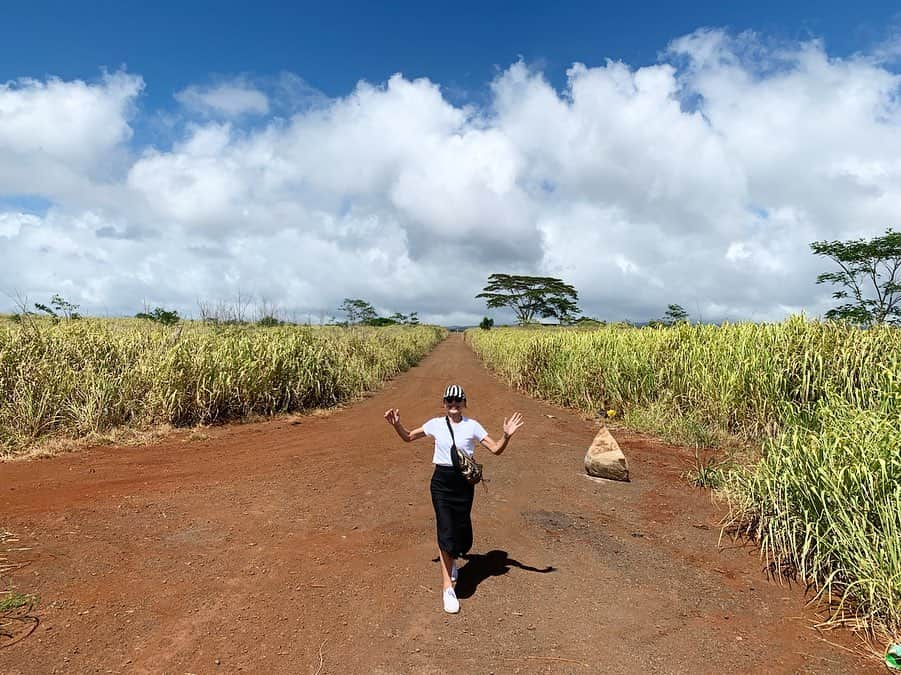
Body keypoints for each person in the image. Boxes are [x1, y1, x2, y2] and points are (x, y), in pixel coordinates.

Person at [383, 384, 524, 614]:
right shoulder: (435, 424)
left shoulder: (473, 426)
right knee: (445, 529)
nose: (453, 404)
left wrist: (506, 436)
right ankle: (448, 587)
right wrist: (396, 424)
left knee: (459, 530)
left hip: (464, 486)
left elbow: (496, 449)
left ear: (464, 403)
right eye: (449, 400)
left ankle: (452, 558)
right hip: (441, 483)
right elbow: (409, 437)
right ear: (444, 404)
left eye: (458, 400)